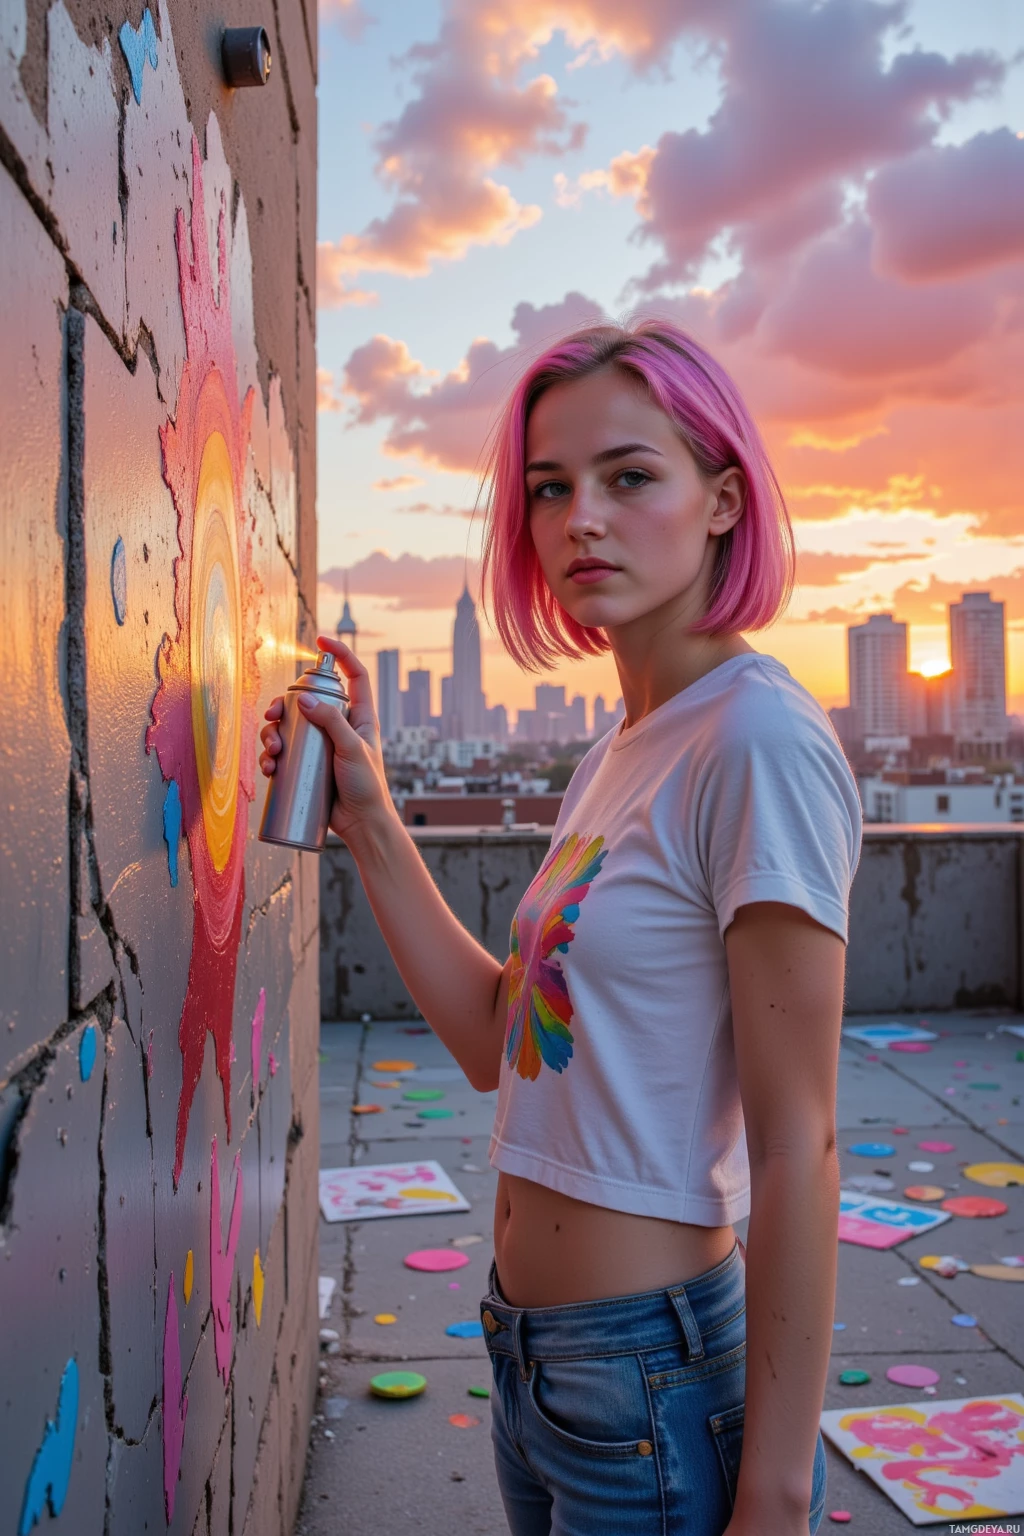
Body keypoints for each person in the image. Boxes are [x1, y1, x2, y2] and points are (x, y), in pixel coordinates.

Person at [259, 320, 862, 1535]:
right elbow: (501, 1041)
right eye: (550, 488)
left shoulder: (758, 742)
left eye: (629, 475)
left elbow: (801, 1143)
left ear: (723, 501)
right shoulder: (624, 751)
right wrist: (369, 813)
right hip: (545, 1367)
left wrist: (778, 1499)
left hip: (651, 1374)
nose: (581, 515)